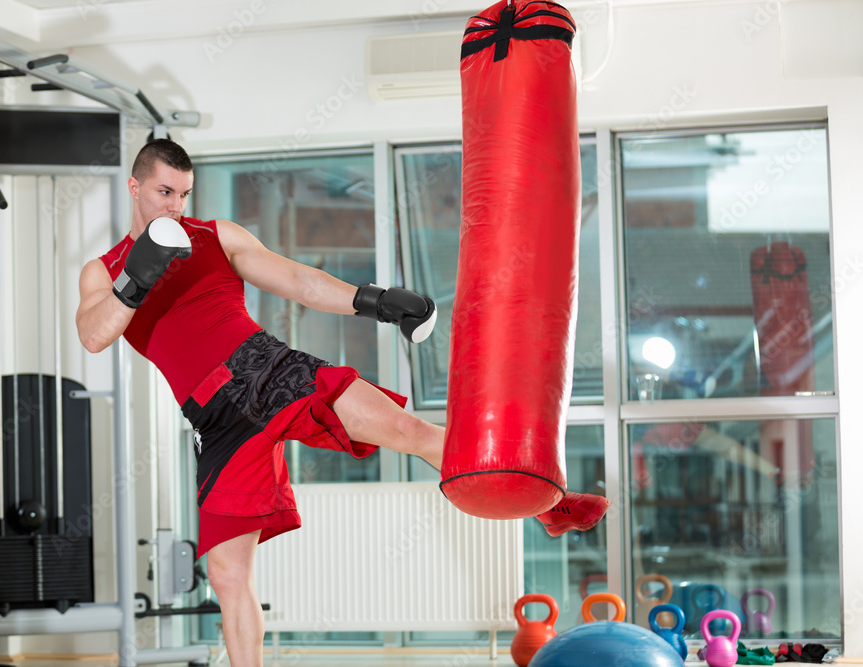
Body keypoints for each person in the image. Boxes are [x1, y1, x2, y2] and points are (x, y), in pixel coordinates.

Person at [76, 139, 610, 666]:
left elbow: (298, 281)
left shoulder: (216, 237)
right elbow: (94, 335)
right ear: (135, 187)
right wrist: (135, 281)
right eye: (164, 192)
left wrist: (373, 301)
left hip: (269, 369)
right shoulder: (104, 270)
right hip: (215, 420)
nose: (175, 206)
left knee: (408, 432)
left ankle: (550, 505)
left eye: (184, 194)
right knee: (227, 575)